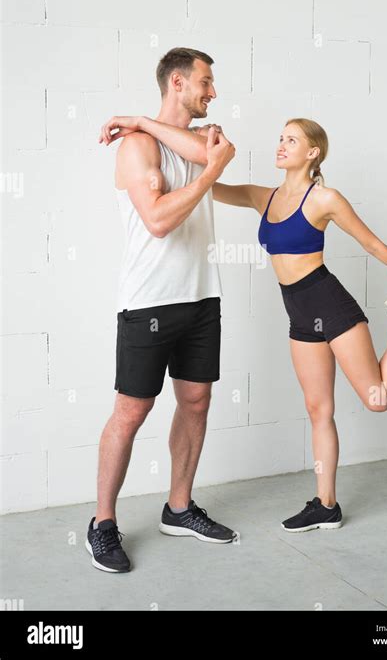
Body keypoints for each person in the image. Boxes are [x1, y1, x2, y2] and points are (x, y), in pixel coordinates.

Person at [211, 116, 387, 533]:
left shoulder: (324, 198)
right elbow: (213, 190)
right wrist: (203, 151)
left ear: (312, 152)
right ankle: (326, 504)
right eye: (280, 138)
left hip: (329, 303)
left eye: (291, 140)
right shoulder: (266, 197)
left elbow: (371, 242)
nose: (281, 145)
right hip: (298, 314)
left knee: (377, 399)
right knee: (318, 410)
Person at [86, 47, 238, 574]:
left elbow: (218, 151)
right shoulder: (136, 148)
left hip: (201, 297)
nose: (213, 92)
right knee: (131, 411)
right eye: (206, 81)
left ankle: (178, 508)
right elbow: (157, 221)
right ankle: (103, 523)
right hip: (148, 301)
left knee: (196, 402)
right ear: (178, 81)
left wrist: (142, 116)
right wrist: (207, 172)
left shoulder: (195, 141)